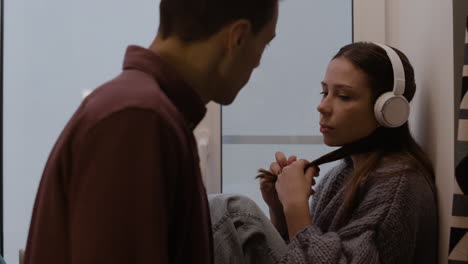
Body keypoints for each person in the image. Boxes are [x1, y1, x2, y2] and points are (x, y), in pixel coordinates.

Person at [23, 0, 278, 263]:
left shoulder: (143, 111)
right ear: (237, 38)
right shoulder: (138, 119)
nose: (259, 62)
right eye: (265, 43)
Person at [209, 42, 438, 263]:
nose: (323, 106)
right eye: (324, 92)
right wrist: (279, 210)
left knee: (233, 212)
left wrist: (296, 206)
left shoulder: (398, 185)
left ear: (389, 110)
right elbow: (299, 253)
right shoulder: (341, 174)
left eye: (343, 96)